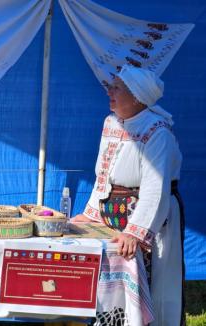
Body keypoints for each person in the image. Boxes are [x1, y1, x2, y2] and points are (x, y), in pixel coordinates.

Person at [72, 65, 184, 326]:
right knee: (112, 281)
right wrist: (91, 215)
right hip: (113, 218)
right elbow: (102, 174)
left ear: (136, 96)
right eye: (111, 87)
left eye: (117, 88)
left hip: (151, 222)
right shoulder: (111, 123)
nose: (110, 92)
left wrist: (136, 232)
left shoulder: (158, 133)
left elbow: (156, 187)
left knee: (154, 281)